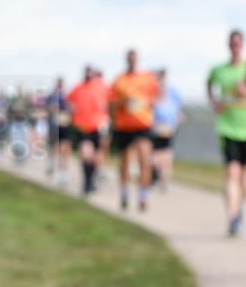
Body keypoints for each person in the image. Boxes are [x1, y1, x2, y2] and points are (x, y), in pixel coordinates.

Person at [207, 30, 246, 236]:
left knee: (244, 174)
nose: (235, 46)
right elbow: (209, 84)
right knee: (232, 172)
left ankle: (240, 208)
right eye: (232, 43)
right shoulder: (218, 70)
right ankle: (232, 217)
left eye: (238, 43)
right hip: (227, 127)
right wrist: (214, 101)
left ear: (243, 45)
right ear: (228, 45)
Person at [109, 49, 160, 212]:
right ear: (126, 60)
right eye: (129, 58)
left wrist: (148, 103)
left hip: (143, 124)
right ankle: (124, 193)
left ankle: (142, 196)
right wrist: (123, 102)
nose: (132, 61)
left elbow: (156, 97)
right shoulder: (119, 80)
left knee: (144, 159)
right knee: (125, 162)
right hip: (123, 125)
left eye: (134, 58)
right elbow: (110, 105)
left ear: (137, 60)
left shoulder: (147, 78)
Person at [67, 66, 109, 196]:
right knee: (86, 155)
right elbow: (69, 102)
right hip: (83, 127)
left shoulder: (102, 88)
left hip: (98, 127)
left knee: (96, 157)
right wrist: (72, 111)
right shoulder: (78, 88)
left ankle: (91, 180)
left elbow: (110, 103)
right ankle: (86, 182)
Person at [151, 68, 185, 191]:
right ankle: (155, 174)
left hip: (169, 130)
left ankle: (164, 180)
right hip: (155, 131)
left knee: (167, 156)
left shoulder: (172, 95)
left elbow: (178, 112)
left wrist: (178, 118)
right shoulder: (153, 96)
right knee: (155, 157)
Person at [45, 77, 72, 188]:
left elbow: (71, 108)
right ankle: (52, 165)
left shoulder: (67, 96)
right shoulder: (52, 96)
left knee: (64, 150)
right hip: (55, 126)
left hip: (64, 125)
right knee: (54, 147)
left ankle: (63, 174)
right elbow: (49, 108)